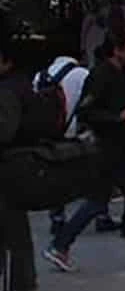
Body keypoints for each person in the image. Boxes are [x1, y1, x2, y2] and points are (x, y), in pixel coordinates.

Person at [43, 33, 125, 272]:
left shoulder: (122, 74)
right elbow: (87, 113)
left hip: (121, 146)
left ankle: (60, 245)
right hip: (107, 148)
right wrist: (117, 118)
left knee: (102, 200)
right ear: (117, 50)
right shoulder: (101, 76)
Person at [0, 34, 39, 291]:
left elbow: (4, 131)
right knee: (13, 233)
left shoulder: (8, 91)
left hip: (9, 169)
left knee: (15, 234)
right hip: (22, 166)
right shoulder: (24, 86)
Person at [34, 51, 90, 237]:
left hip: (47, 133)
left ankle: (57, 216)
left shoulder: (41, 75)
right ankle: (97, 212)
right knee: (89, 172)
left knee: (55, 174)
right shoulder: (81, 74)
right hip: (72, 132)